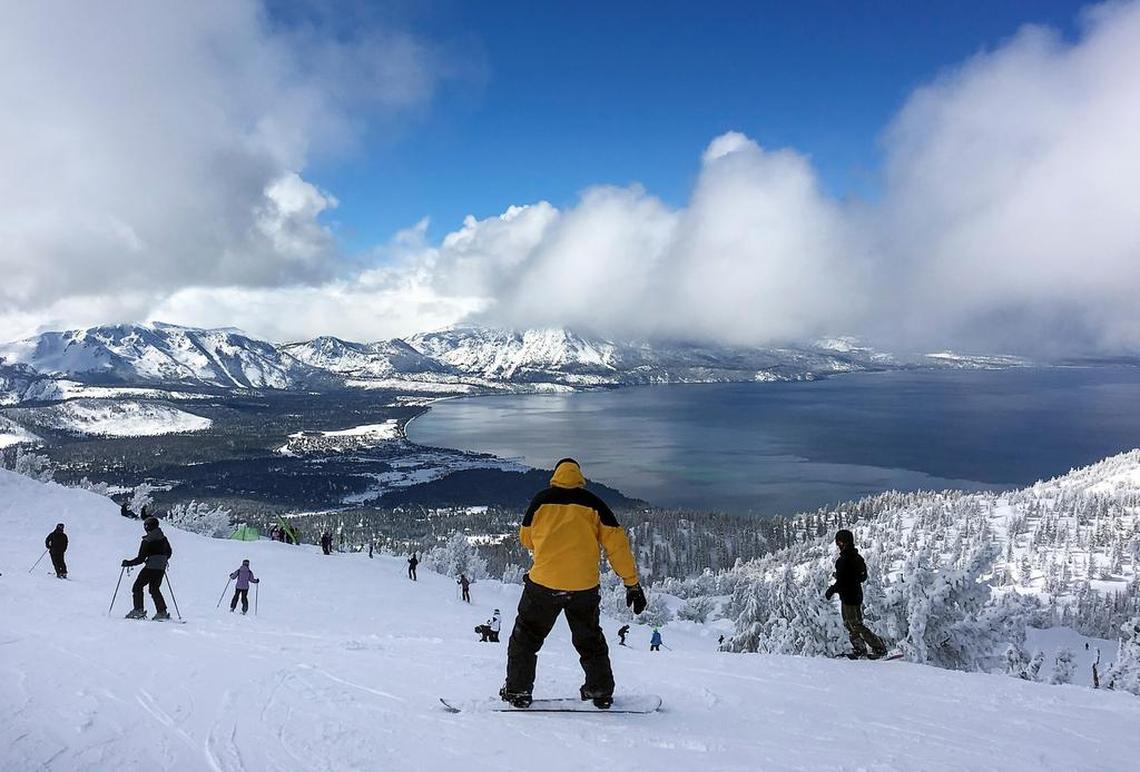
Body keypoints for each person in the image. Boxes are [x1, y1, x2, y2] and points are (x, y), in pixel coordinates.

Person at [501, 458, 646, 710]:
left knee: (525, 637)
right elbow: (617, 546)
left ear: (555, 476)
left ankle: (518, 690)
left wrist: (549, 543)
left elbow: (526, 538)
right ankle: (599, 689)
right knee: (589, 640)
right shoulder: (595, 504)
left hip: (543, 584)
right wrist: (631, 584)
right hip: (583, 587)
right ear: (579, 477)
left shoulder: (540, 500)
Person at [825, 529, 887, 659]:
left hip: (849, 597)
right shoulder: (857, 558)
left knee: (854, 624)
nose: (838, 545)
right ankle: (860, 648)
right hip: (855, 595)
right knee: (850, 624)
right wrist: (847, 578)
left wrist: (831, 590)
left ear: (846, 542)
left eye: (840, 542)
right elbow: (861, 577)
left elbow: (843, 581)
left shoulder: (843, 560)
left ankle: (878, 647)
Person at [121, 516, 173, 620]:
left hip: (150, 567)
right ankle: (162, 612)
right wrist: (161, 559)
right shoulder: (163, 538)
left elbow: (140, 559)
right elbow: (169, 552)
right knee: (154, 589)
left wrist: (128, 563)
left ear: (147, 527)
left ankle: (138, 610)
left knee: (137, 587)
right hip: (161, 568)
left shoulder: (147, 540)